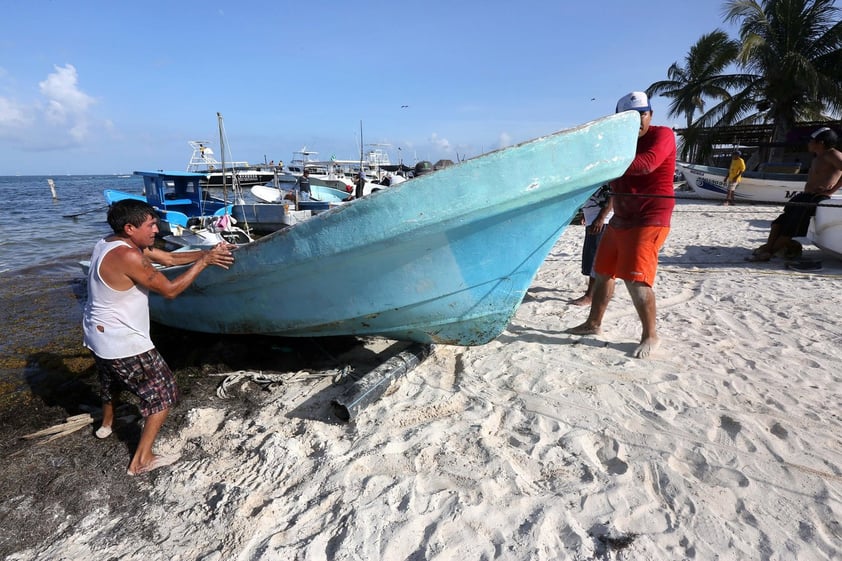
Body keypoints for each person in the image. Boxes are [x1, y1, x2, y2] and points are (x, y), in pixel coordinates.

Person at [83, 199, 235, 476]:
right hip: (123, 341)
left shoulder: (107, 243)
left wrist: (209, 253)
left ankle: (106, 424)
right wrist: (205, 263)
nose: (157, 229)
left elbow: (168, 258)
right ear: (130, 228)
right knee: (163, 394)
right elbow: (170, 290)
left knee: (110, 379)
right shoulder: (130, 257)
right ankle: (142, 460)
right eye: (151, 225)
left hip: (96, 334)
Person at [566, 91, 676, 359]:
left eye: (642, 114)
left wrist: (602, 163)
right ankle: (593, 324)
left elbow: (646, 165)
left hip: (651, 216)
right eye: (630, 117)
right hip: (622, 216)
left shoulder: (663, 135)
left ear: (650, 114)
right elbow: (613, 182)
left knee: (635, 279)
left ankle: (650, 335)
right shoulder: (616, 143)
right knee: (603, 271)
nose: (638, 121)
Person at [748, 127, 842, 262]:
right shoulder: (818, 157)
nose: (808, 143)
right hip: (805, 196)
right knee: (780, 222)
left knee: (791, 226)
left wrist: (830, 191)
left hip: (815, 198)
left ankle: (770, 252)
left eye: (811, 141)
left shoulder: (832, 154)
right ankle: (768, 247)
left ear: (820, 143)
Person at [570, 184, 613, 306]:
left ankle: (590, 295)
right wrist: (585, 212)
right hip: (593, 218)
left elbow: (613, 196)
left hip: (601, 221)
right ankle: (593, 292)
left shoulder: (609, 176)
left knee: (595, 258)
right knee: (591, 256)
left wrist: (601, 218)